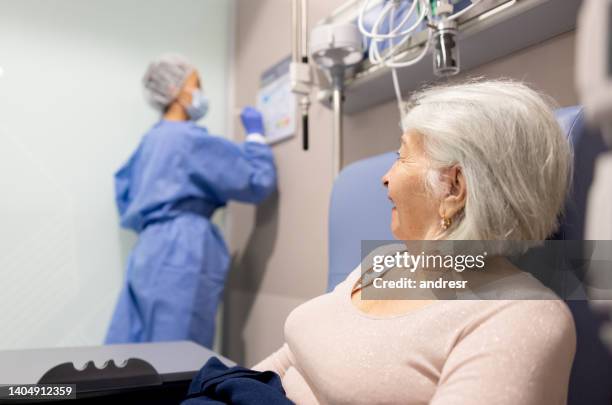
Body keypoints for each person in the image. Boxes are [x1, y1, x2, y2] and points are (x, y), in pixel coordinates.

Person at [253, 80, 576, 404]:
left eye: (403, 157)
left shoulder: (521, 317)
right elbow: (288, 360)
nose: (386, 177)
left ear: (453, 189)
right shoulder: (385, 262)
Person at [105, 54, 277, 348]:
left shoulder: (150, 141)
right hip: (183, 250)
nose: (201, 94)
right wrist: (256, 137)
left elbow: (123, 193)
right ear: (174, 90)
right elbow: (255, 181)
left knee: (132, 350)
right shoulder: (188, 139)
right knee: (177, 352)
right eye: (197, 85)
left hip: (147, 250)